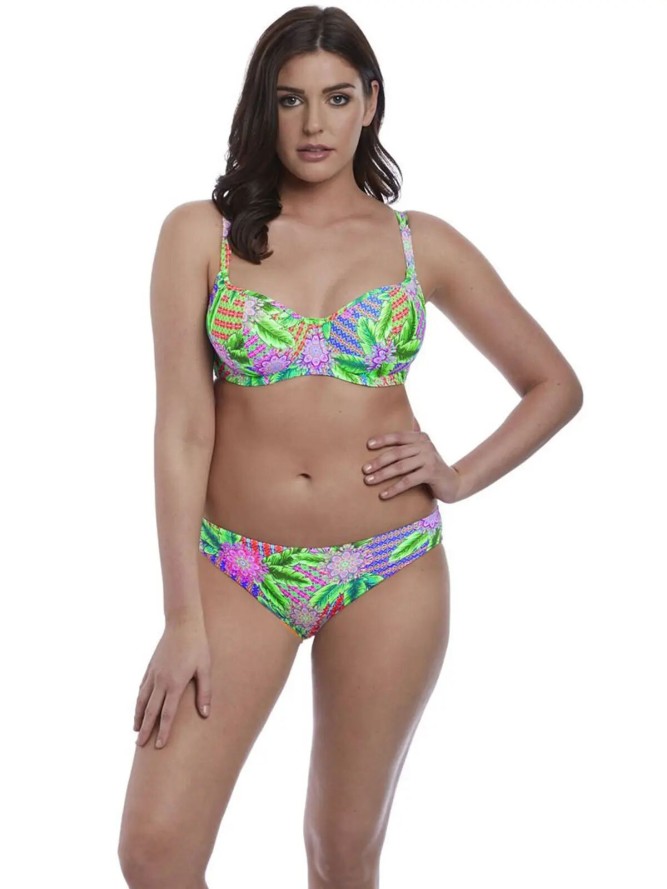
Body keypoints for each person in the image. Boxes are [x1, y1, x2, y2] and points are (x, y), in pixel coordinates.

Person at [117, 6, 584, 888]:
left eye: (336, 97)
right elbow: (181, 428)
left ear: (370, 102)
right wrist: (181, 618)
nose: (314, 123)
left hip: (389, 568)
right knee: (154, 851)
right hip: (237, 570)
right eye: (290, 99)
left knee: (341, 852)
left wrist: (456, 475)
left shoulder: (419, 245)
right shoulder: (199, 235)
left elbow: (553, 384)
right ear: (263, 105)